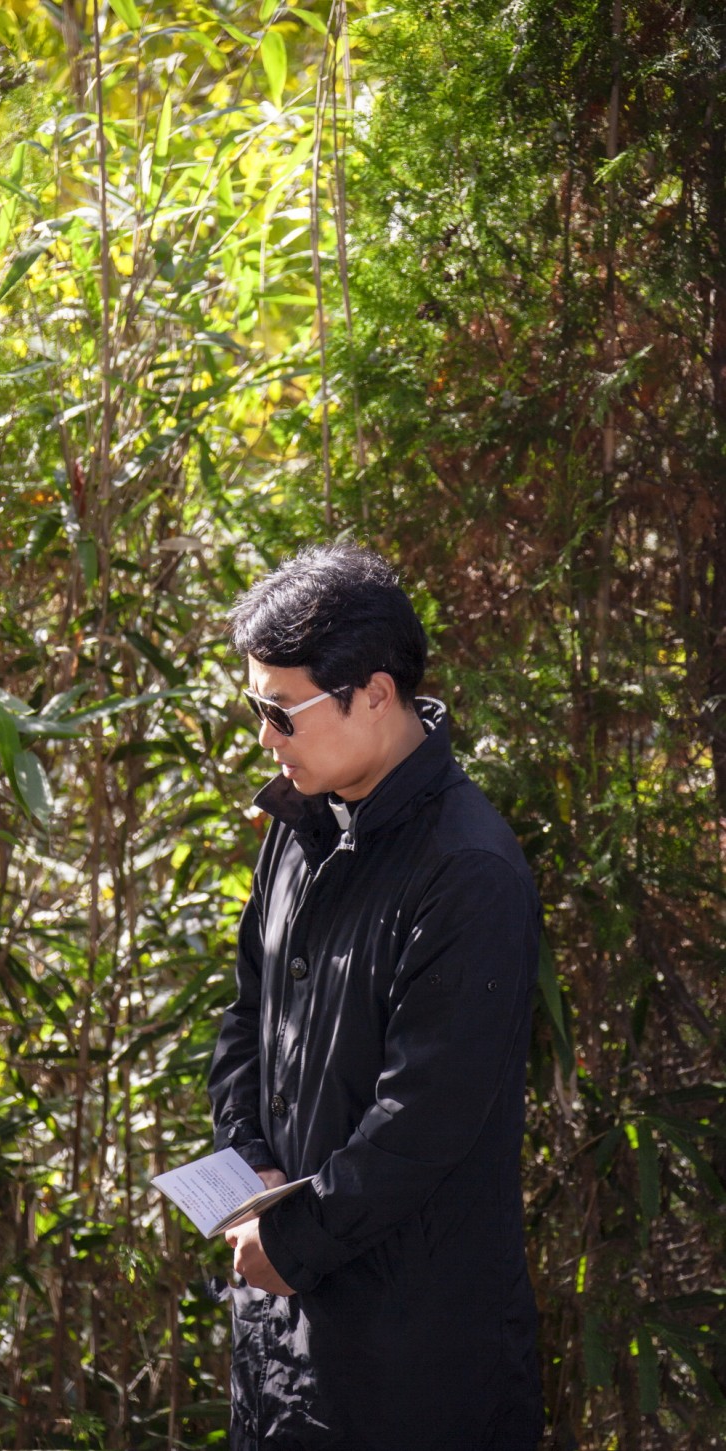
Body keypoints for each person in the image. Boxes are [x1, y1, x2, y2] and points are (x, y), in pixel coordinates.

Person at [208, 544, 544, 1451]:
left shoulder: (467, 872)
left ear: (375, 693)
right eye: (255, 709)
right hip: (284, 1337)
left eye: (281, 712)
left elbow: (424, 1116)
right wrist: (249, 1166)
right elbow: (246, 1015)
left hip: (416, 1353)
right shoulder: (298, 825)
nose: (265, 738)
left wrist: (293, 1241)